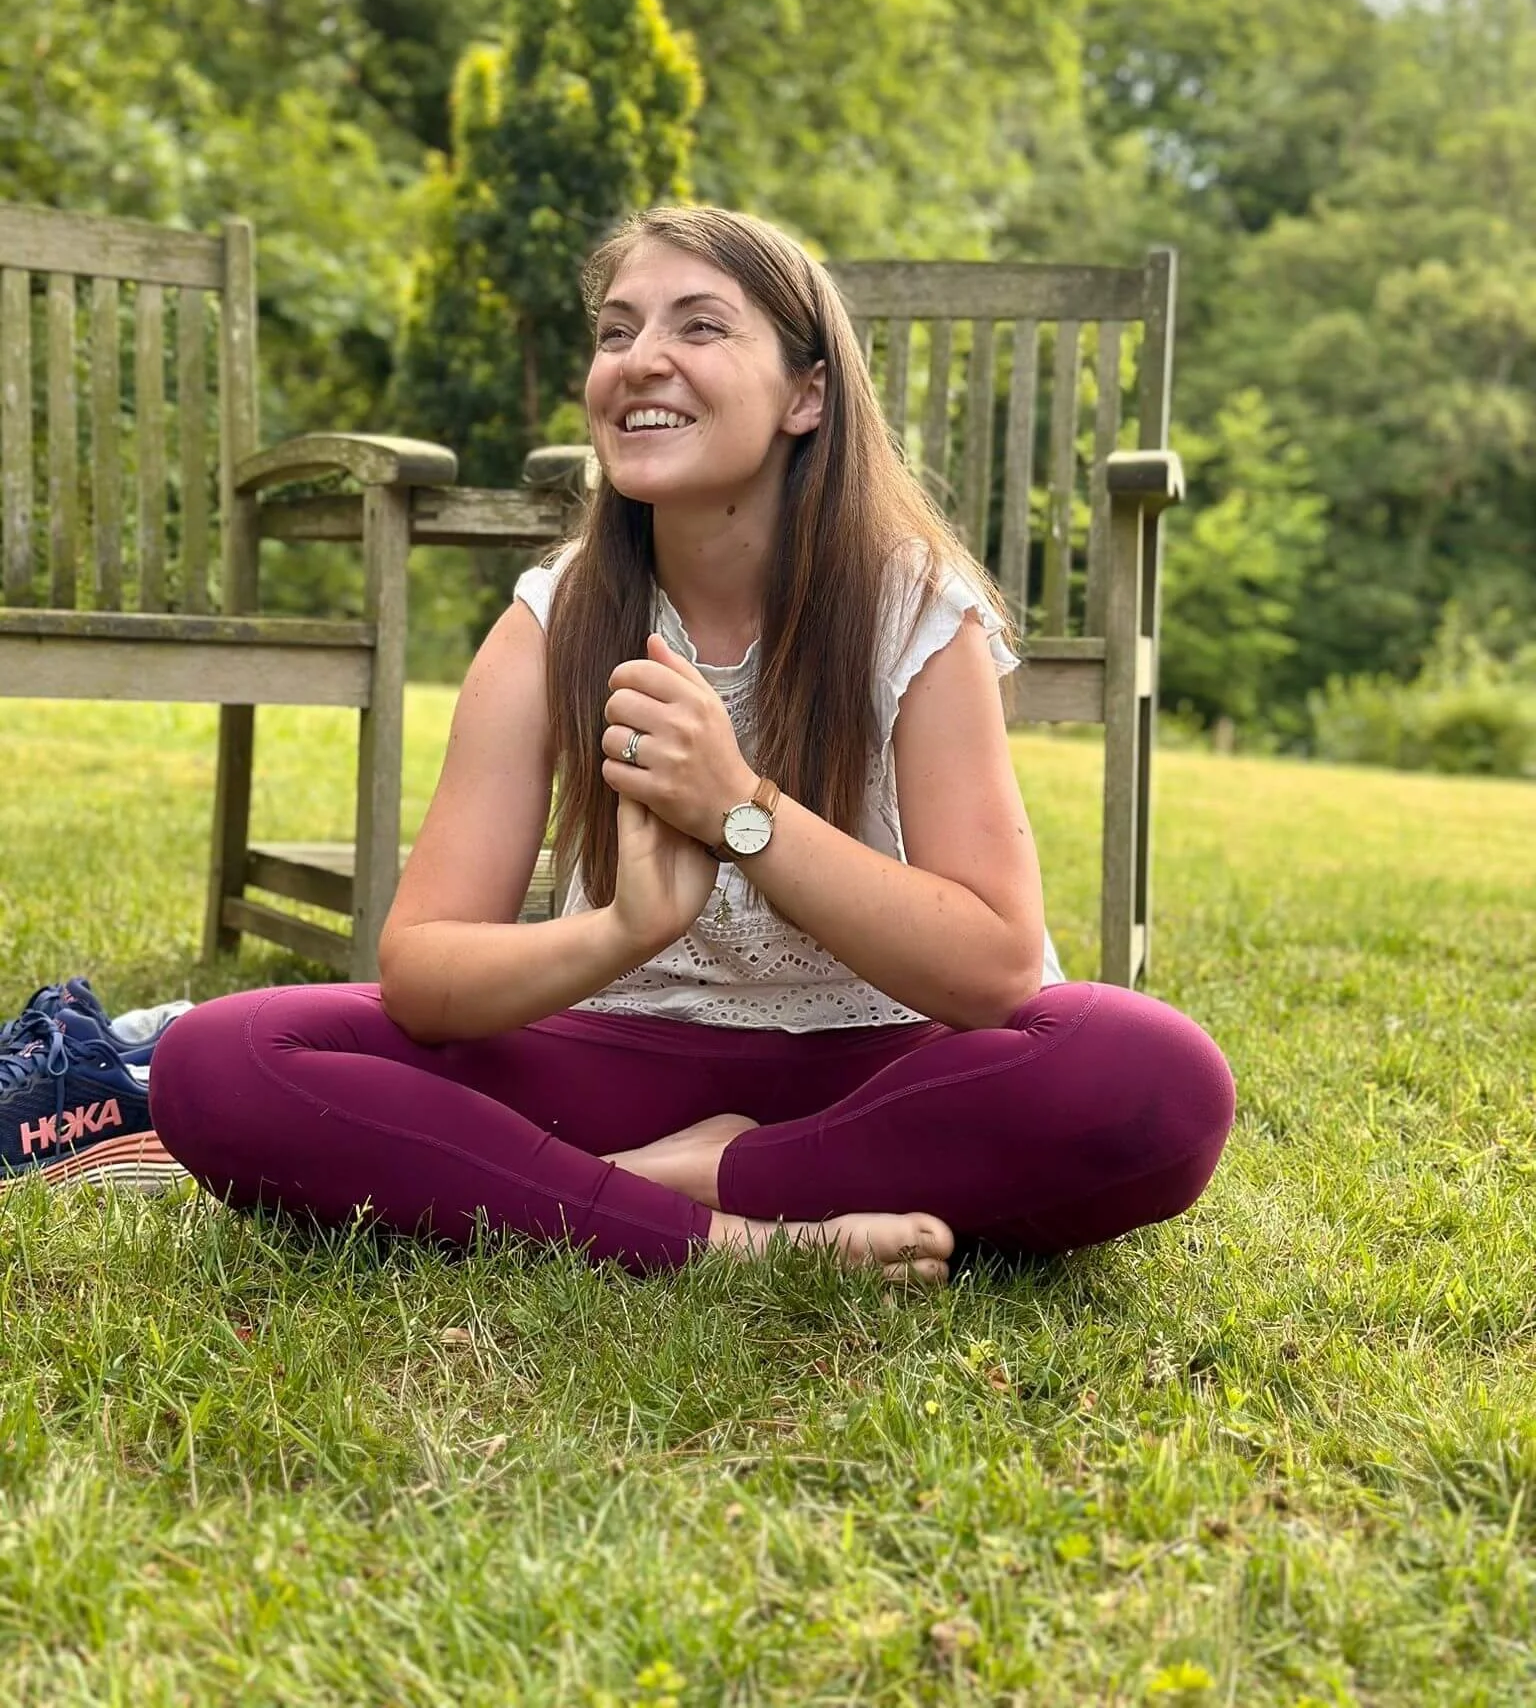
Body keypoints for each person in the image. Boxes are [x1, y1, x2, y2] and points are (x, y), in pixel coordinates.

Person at [151, 206, 1234, 1286]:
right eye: (616, 332)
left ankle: (672, 1176)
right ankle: (737, 1232)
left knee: (1156, 1077)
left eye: (700, 327)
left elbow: (997, 970)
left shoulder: (914, 612)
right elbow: (424, 972)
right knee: (219, 1062)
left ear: (806, 393)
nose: (640, 361)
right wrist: (626, 927)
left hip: (891, 1068)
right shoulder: (553, 619)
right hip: (623, 1046)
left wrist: (740, 812)